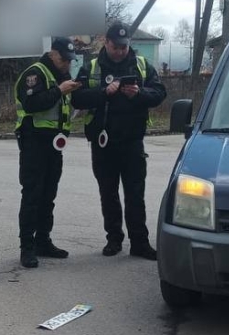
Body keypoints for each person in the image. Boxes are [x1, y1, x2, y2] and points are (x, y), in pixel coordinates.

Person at [71, 22, 167, 260]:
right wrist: (104, 92)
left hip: (132, 142)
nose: (121, 51)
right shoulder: (92, 67)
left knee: (135, 194)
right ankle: (114, 240)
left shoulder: (141, 65)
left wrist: (139, 94)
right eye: (117, 46)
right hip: (103, 143)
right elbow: (77, 99)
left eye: (125, 46)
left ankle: (140, 243)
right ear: (107, 42)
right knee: (108, 194)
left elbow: (159, 93)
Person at [13, 36, 80, 269]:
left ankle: (43, 241)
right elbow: (32, 104)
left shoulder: (62, 76)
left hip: (54, 146)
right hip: (34, 143)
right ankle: (27, 248)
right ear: (52, 54)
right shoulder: (35, 73)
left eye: (70, 61)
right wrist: (60, 90)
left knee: (48, 196)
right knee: (32, 195)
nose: (67, 64)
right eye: (63, 59)